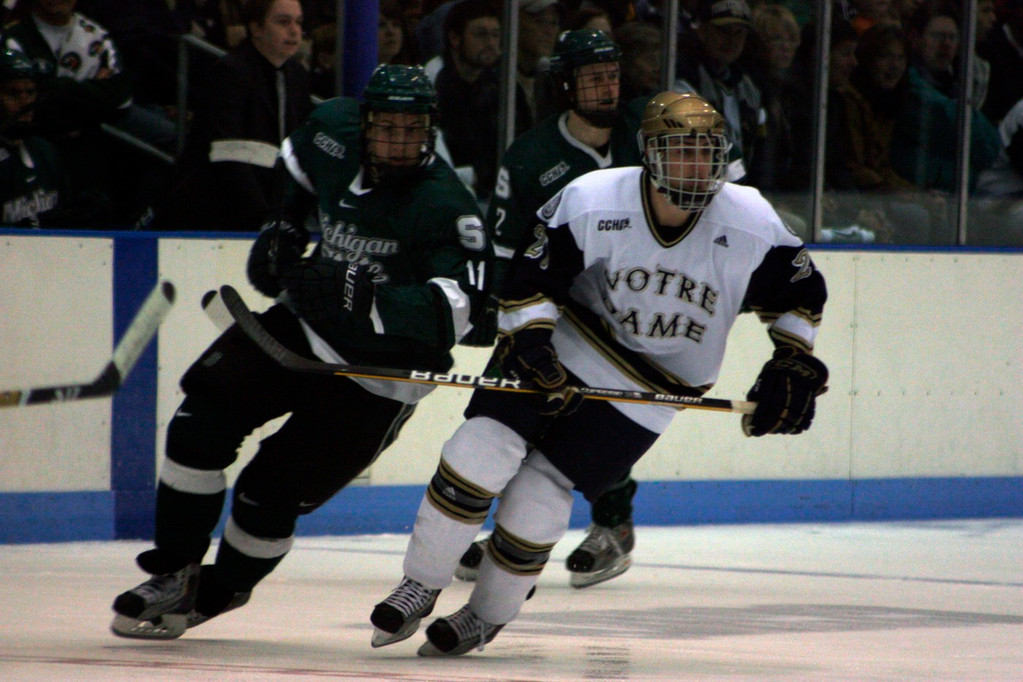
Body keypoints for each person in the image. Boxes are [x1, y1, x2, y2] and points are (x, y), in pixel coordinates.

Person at [370, 91, 828, 656]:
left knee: (541, 491)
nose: (696, 167)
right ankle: (419, 583)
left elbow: (800, 294)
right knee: (480, 448)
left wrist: (792, 359)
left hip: (655, 388)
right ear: (649, 155)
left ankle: (486, 615)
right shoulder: (592, 199)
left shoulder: (752, 220)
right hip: (569, 341)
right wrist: (532, 343)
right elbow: (531, 280)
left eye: (706, 153)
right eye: (681, 152)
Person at [109, 64, 493, 640]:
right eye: (386, 128)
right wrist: (284, 229)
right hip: (304, 326)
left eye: (411, 131)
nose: (398, 142)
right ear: (364, 124)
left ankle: (220, 590)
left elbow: (466, 312)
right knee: (197, 425)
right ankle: (173, 571)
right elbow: (294, 167)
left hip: (380, 373)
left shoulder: (445, 205)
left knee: (269, 492)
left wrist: (370, 299)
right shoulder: (332, 131)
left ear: (429, 131)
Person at [455, 29, 648, 589]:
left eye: (612, 74)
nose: (607, 86)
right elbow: (505, 249)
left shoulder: (647, 130)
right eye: (592, 77)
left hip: (631, 310)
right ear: (565, 85)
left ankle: (614, 526)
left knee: (604, 422)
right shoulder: (531, 156)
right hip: (551, 308)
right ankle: (511, 533)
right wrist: (500, 310)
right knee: (509, 416)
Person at [143, 0, 312, 231]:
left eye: (298, 22)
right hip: (216, 209)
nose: (294, 31)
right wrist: (265, 215)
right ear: (256, 28)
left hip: (267, 206)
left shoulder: (297, 76)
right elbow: (227, 153)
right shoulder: (231, 72)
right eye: (283, 22)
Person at [673, 0, 767, 184]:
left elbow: (762, 150)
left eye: (739, 33)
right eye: (723, 31)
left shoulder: (749, 85)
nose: (732, 40)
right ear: (702, 31)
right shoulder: (684, 78)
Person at [434, 0, 503, 205]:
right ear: (455, 38)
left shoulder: (501, 85)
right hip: (453, 197)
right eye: (481, 34)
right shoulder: (435, 83)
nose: (490, 43)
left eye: (496, 35)